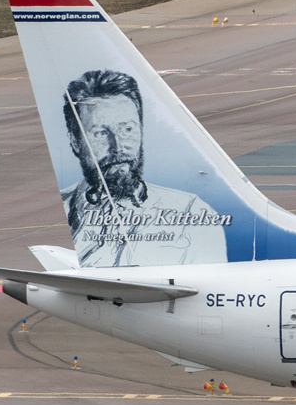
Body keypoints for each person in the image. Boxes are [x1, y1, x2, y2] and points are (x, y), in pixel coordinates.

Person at [58, 70, 230, 267]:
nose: (118, 147)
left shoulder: (191, 212)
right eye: (100, 133)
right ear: (75, 142)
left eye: (128, 129)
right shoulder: (64, 208)